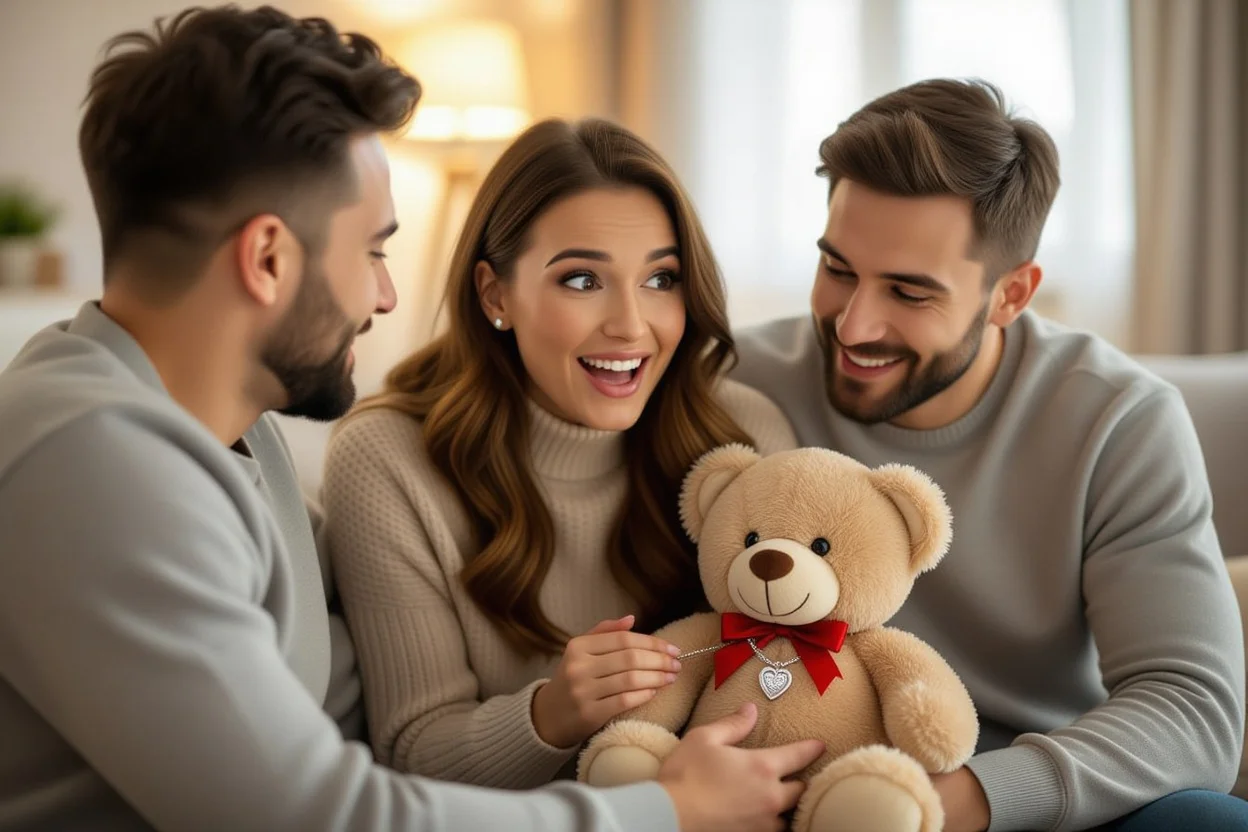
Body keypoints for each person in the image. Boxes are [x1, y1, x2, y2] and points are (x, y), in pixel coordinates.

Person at [0, 5, 823, 831]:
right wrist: (660, 814)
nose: (387, 296)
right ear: (268, 259)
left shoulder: (234, 433)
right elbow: (319, 814)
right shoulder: (93, 466)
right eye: (372, 251)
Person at [730, 78, 1248, 832]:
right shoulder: (739, 384)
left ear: (1011, 295)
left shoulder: (1117, 419)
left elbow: (1193, 711)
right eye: (838, 270)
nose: (853, 325)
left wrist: (952, 803)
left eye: (909, 293)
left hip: (1033, 801)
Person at [319, 116, 800, 787]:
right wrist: (554, 712)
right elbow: (414, 751)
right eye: (581, 280)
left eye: (661, 280)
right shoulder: (386, 461)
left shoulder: (742, 432)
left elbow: (799, 681)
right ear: (495, 295)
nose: (632, 325)